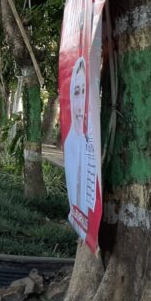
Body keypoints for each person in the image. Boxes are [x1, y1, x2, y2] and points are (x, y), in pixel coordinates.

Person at [63, 56, 94, 238]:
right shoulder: (70, 144)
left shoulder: (92, 143)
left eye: (85, 91)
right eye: (76, 92)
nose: (81, 101)